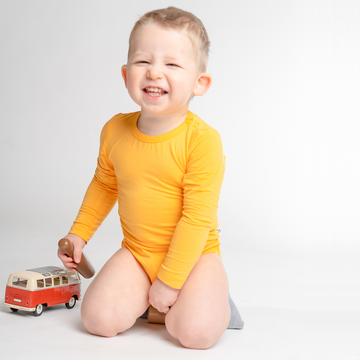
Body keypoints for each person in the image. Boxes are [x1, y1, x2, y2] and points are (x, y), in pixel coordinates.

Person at [58, 6, 230, 349]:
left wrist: (170, 280)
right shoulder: (115, 130)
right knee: (97, 320)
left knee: (194, 334)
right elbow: (105, 185)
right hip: (138, 252)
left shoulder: (202, 141)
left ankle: (210, 299)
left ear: (200, 82)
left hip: (196, 257)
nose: (154, 72)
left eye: (172, 64)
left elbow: (197, 219)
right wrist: (78, 235)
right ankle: (155, 303)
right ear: (125, 75)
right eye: (142, 62)